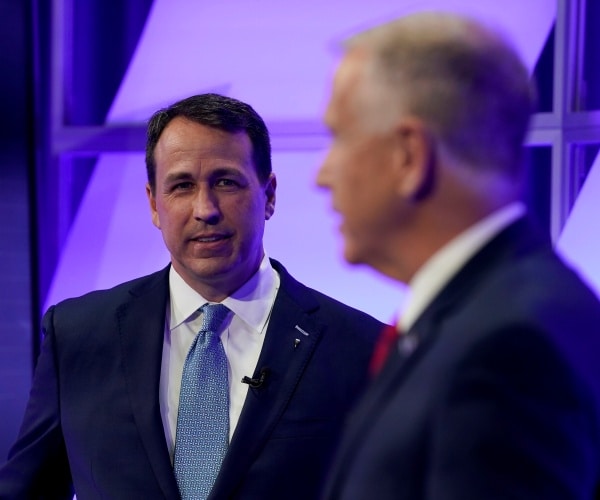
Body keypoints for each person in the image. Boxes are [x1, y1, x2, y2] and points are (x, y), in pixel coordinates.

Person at [0, 93, 384, 499]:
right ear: (153, 203)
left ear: (268, 195)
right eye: (182, 186)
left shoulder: (361, 347)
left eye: (225, 181)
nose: (206, 209)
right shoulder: (78, 335)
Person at [316, 11, 600, 500]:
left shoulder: (509, 349)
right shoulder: (488, 314)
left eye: (340, 137)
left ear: (410, 155)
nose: (322, 174)